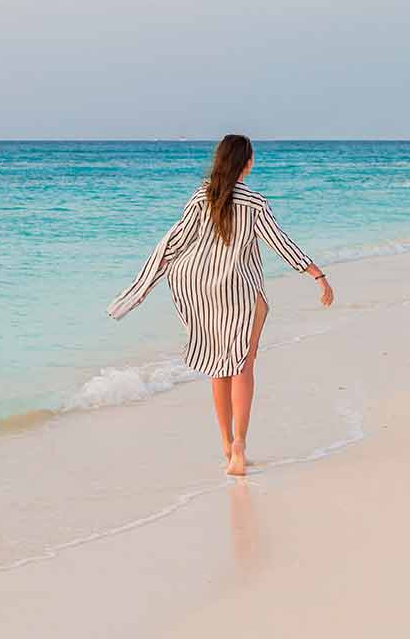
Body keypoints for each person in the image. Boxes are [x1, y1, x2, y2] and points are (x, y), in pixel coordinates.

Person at [107, 135, 334, 475]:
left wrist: (138, 290)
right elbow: (281, 243)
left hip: (201, 288)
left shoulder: (202, 196)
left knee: (218, 366)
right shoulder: (255, 203)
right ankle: (241, 445)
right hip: (240, 291)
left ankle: (227, 446)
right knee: (243, 364)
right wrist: (317, 275)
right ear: (247, 163)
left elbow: (174, 242)